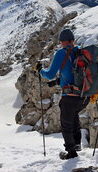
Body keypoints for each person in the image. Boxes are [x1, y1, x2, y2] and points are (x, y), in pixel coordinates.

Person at [35, 28, 88, 160]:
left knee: (66, 124)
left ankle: (71, 152)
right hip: (84, 95)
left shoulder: (61, 53)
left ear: (62, 42)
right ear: (73, 40)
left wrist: (40, 70)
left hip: (70, 96)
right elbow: (74, 73)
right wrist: (58, 81)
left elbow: (50, 74)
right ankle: (77, 144)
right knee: (74, 116)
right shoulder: (81, 51)